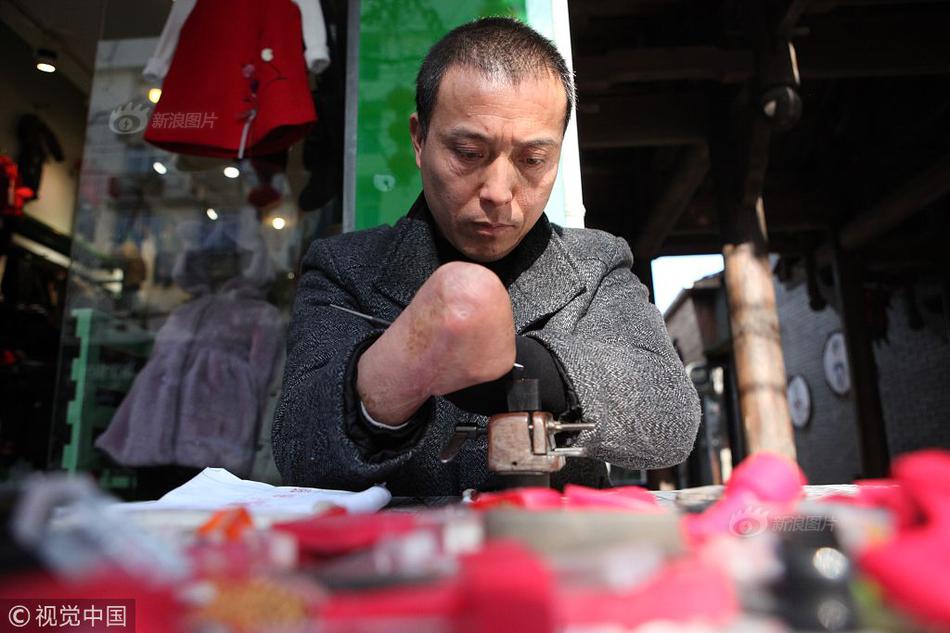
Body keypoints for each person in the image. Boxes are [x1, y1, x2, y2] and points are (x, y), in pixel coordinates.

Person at [272, 17, 700, 495]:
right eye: (468, 152)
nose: (498, 191)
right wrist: (401, 364)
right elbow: (300, 451)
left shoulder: (597, 263)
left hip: (552, 542)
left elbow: (671, 421)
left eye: (532, 160)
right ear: (419, 139)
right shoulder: (344, 268)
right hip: (402, 544)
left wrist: (527, 368)